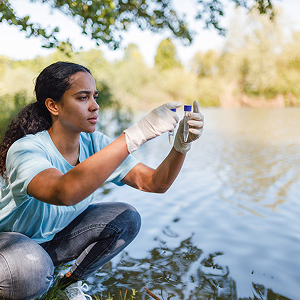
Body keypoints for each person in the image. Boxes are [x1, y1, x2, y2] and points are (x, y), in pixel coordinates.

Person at [0, 61, 204, 300]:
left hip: (52, 242)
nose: (95, 106)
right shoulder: (26, 149)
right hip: (10, 243)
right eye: (82, 98)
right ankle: (25, 277)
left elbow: (154, 183)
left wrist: (181, 146)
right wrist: (134, 136)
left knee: (127, 218)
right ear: (53, 106)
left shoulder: (96, 143)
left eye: (95, 97)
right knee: (31, 270)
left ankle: (68, 284)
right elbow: (63, 192)